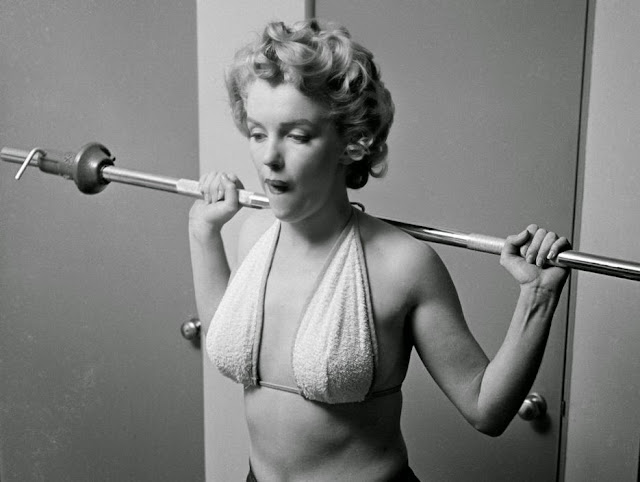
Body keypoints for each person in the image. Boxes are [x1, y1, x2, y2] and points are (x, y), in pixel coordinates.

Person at [189, 19, 571, 482]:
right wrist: (203, 232)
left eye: (297, 135)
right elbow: (227, 342)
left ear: (352, 142)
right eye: (256, 132)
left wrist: (538, 297)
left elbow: (485, 408)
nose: (269, 156)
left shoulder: (402, 265)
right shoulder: (251, 234)